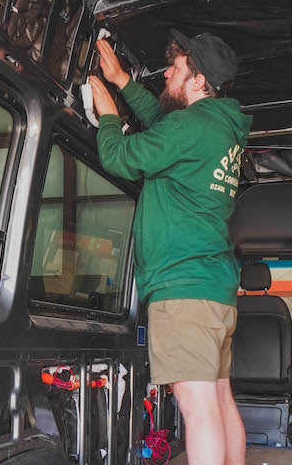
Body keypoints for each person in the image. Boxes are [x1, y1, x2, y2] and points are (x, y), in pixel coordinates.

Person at [89, 30, 252, 465]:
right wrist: (123, 82)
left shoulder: (189, 127)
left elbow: (119, 156)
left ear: (198, 81)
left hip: (184, 289)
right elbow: (163, 123)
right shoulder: (217, 127)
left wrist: (108, 115)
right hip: (212, 287)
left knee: (197, 408)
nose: (166, 73)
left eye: (176, 68)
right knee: (219, 399)